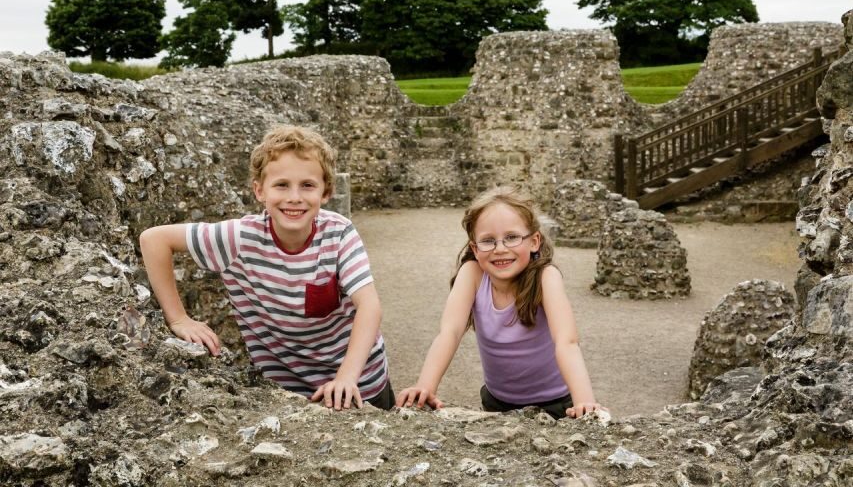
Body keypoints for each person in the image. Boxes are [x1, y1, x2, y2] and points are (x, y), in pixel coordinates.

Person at [140, 125, 392, 411]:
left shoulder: (339, 233)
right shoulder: (240, 238)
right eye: (281, 185)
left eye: (307, 185)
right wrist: (178, 319)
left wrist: (346, 378)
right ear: (259, 190)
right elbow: (153, 240)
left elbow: (369, 306)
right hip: (286, 391)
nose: (294, 197)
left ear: (326, 192)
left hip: (362, 382)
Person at [396, 186, 602, 419]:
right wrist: (425, 386)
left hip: (556, 403)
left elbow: (567, 341)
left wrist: (584, 401)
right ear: (475, 248)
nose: (500, 249)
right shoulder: (472, 274)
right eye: (488, 241)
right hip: (497, 403)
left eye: (512, 237)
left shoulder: (546, 276)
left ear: (534, 241)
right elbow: (450, 332)